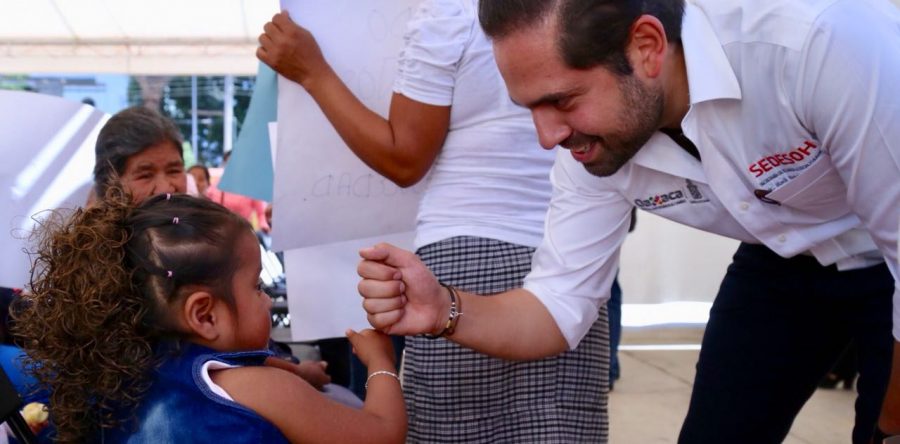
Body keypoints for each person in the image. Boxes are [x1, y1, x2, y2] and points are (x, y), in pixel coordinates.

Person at [356, 0, 900, 443]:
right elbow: (556, 307)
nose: (547, 137)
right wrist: (445, 308)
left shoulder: (818, 42)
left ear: (647, 47)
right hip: (781, 257)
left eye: (562, 100)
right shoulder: (590, 145)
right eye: (530, 109)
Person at [258, 2, 609, 441]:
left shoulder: (449, 10)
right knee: (558, 425)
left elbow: (405, 157)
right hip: (572, 256)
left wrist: (312, 72)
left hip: (464, 256)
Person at [11, 190, 406, 443]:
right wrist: (380, 362)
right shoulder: (261, 388)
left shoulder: (117, 380)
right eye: (256, 287)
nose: (267, 300)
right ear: (204, 315)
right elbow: (382, 434)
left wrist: (297, 373)